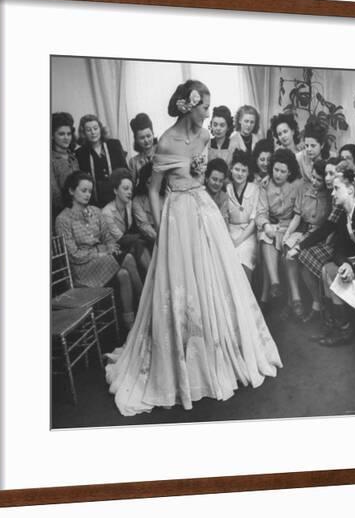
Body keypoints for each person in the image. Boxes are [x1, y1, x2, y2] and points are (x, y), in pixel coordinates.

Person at [105, 80, 282, 416]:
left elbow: (201, 174)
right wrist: (161, 228)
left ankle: (218, 347)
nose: (209, 114)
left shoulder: (203, 137)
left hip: (204, 211)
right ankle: (183, 354)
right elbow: (155, 190)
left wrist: (200, 175)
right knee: (181, 283)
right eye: (205, 108)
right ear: (189, 106)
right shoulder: (166, 143)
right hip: (177, 217)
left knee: (215, 279)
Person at [55, 172, 140, 330]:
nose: (88, 195)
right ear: (71, 191)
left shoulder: (95, 211)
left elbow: (108, 237)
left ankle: (131, 325)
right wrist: (99, 253)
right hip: (82, 269)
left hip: (101, 261)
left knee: (124, 274)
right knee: (127, 258)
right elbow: (73, 255)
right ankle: (145, 303)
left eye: (90, 191)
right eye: (83, 190)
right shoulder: (63, 219)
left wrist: (108, 247)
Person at [320, 164, 355, 346]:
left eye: (336, 189)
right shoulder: (345, 215)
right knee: (328, 269)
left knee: (335, 273)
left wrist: (354, 269)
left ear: (350, 190)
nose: (333, 193)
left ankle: (347, 328)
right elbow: (338, 249)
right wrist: (346, 264)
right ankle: (341, 326)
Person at [286, 157, 342, 326]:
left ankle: (322, 307)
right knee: (294, 252)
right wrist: (290, 235)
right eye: (324, 175)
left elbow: (328, 227)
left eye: (328, 174)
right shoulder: (307, 189)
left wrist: (303, 245)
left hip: (332, 241)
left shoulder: (333, 194)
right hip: (319, 235)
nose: (324, 179)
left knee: (304, 256)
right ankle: (305, 302)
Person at [256, 148, 302, 301]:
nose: (278, 174)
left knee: (290, 245)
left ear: (289, 172)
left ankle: (295, 298)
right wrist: (266, 225)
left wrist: (288, 230)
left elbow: (299, 214)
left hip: (291, 226)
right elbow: (261, 212)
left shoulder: (297, 185)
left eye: (283, 171)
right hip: (273, 225)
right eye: (275, 170)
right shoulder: (265, 184)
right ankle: (275, 283)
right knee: (265, 236)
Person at [102, 168, 152, 279]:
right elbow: (120, 238)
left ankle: (151, 278)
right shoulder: (107, 212)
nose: (129, 192)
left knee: (141, 243)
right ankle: (152, 278)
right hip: (113, 249)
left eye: (131, 189)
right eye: (125, 188)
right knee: (139, 242)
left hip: (126, 244)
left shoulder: (129, 204)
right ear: (115, 190)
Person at [76, 113, 127, 207]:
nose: (93, 132)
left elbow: (125, 171)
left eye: (95, 128)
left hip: (118, 197)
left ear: (100, 129)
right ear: (83, 133)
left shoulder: (114, 145)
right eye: (88, 130)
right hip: (96, 201)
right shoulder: (80, 153)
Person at [226, 151, 259, 281]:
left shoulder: (255, 188)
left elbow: (254, 221)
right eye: (237, 169)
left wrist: (238, 241)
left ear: (248, 172)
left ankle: (247, 298)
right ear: (231, 169)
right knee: (228, 256)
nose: (240, 174)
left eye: (244, 171)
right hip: (229, 231)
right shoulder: (227, 188)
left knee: (245, 254)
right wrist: (230, 239)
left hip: (248, 233)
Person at [51, 112, 79, 221]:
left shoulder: (73, 158)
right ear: (52, 135)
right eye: (61, 134)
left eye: (69, 134)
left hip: (78, 211)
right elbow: (54, 194)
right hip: (60, 215)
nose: (66, 138)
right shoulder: (50, 160)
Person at [132, 162, 165, 245]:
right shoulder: (137, 200)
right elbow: (144, 226)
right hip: (152, 238)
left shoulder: (167, 194)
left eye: (155, 182)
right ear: (143, 182)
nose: (152, 187)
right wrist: (161, 241)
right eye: (149, 183)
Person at [128, 113, 157, 185]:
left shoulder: (164, 153)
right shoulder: (133, 162)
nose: (146, 140)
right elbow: (133, 186)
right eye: (142, 138)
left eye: (148, 136)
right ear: (136, 140)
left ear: (153, 134)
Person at [296, 119, 329, 184]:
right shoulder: (299, 157)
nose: (309, 149)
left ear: (322, 145)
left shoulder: (330, 159)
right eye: (306, 145)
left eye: (313, 146)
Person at [228, 105, 261, 169]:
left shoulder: (258, 139)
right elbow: (230, 166)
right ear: (240, 121)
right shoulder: (233, 140)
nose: (249, 125)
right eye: (246, 121)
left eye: (252, 122)